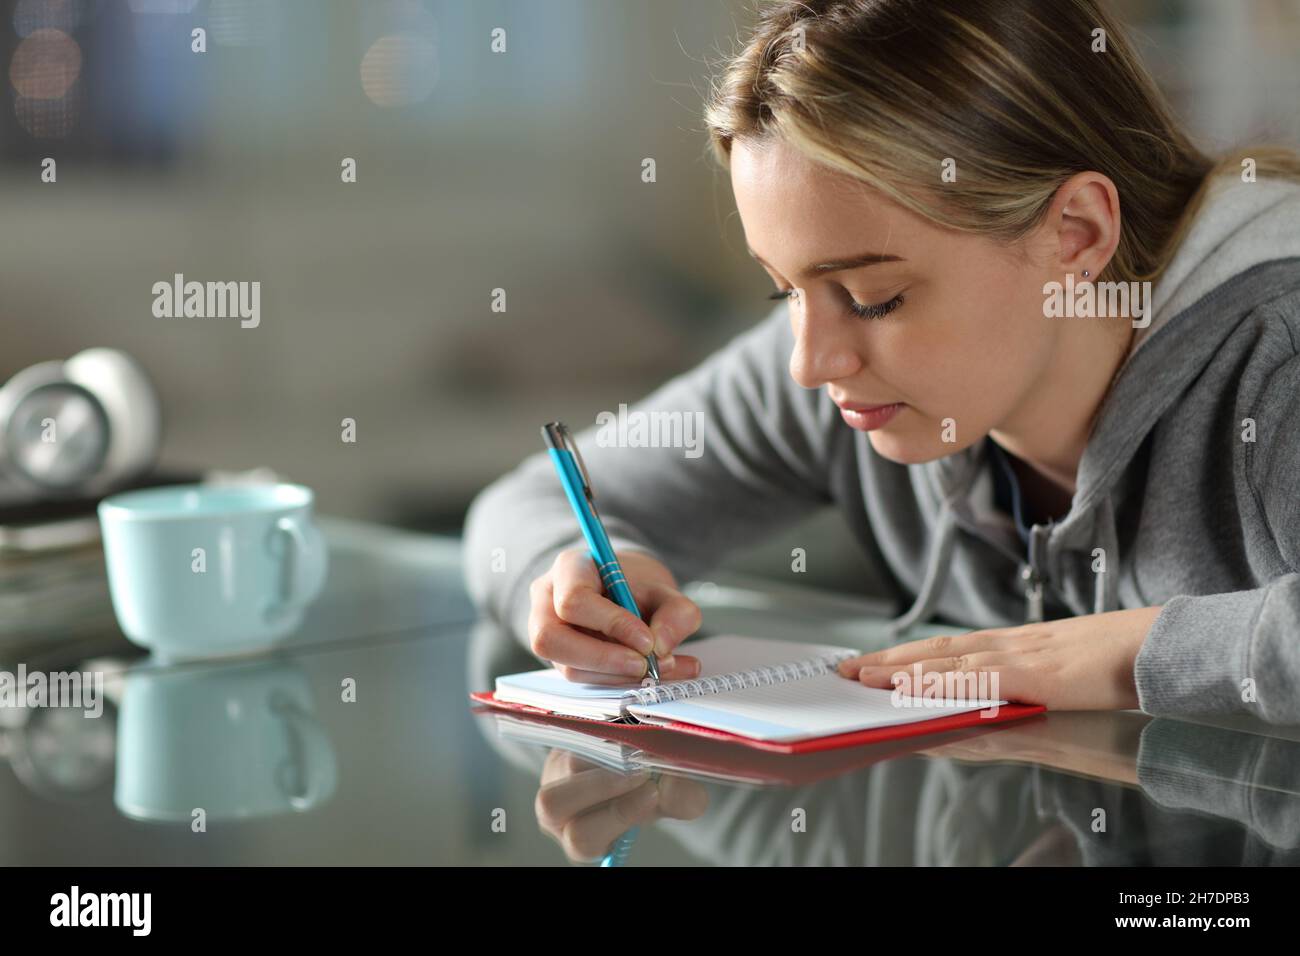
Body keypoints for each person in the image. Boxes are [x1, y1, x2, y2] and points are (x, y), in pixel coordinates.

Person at [463, 0, 1300, 723]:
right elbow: (522, 507)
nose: (809, 364)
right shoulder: (844, 368)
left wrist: (1117, 657)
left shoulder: (1277, 363)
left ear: (1074, 234)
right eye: (782, 291)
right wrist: (565, 579)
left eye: (873, 297)